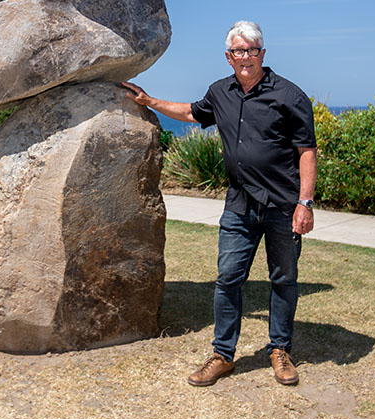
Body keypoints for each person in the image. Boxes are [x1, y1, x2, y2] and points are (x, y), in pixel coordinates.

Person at [122, 20, 316, 387]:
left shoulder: (290, 96)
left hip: (282, 206)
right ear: (229, 57)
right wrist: (150, 101)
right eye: (239, 51)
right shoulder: (220, 92)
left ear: (263, 54)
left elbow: (307, 152)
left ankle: (280, 350)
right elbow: (192, 113)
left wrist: (304, 203)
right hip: (239, 206)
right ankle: (223, 355)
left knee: (284, 280)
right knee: (228, 279)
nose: (246, 57)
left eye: (252, 50)